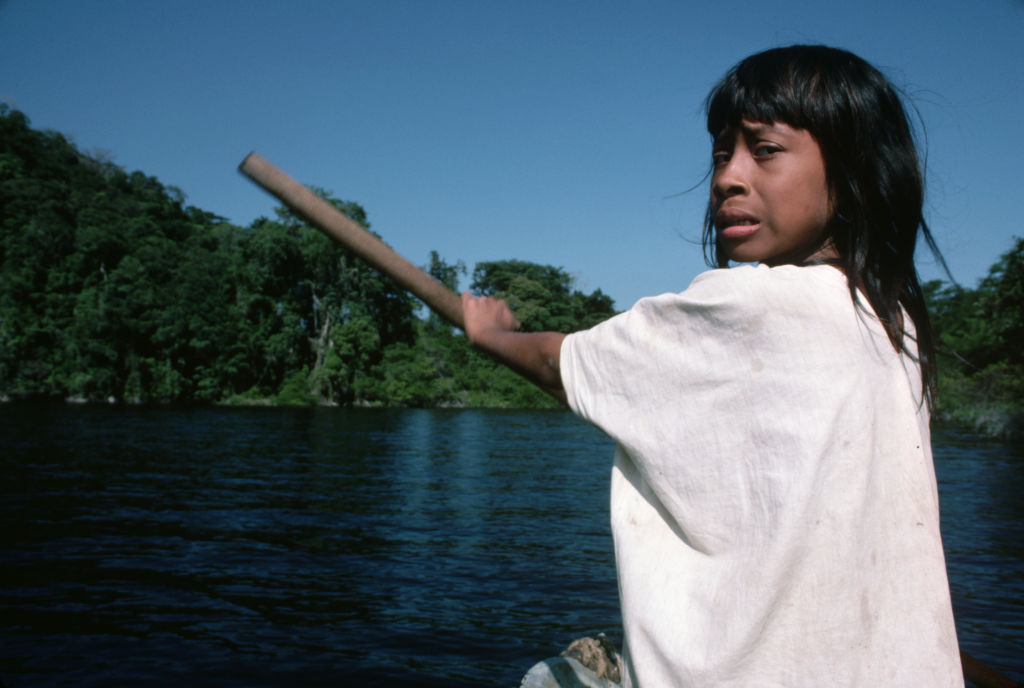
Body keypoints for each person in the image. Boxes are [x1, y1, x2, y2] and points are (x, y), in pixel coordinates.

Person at [461, 45, 964, 687]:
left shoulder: (751, 305)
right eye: (724, 152)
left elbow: (568, 365)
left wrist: (492, 333)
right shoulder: (892, 323)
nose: (728, 175)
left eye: (766, 149)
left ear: (852, 170)